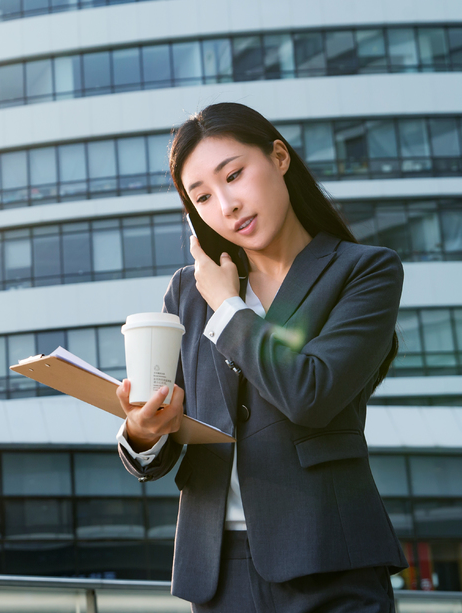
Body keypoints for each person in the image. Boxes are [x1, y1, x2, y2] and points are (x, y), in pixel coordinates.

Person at [114, 102, 408, 612]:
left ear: (278, 157)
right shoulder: (186, 291)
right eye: (202, 196)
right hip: (218, 570)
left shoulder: (363, 272)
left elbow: (310, 394)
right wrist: (141, 432)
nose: (225, 205)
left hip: (330, 557)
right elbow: (167, 433)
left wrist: (228, 307)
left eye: (234, 175)